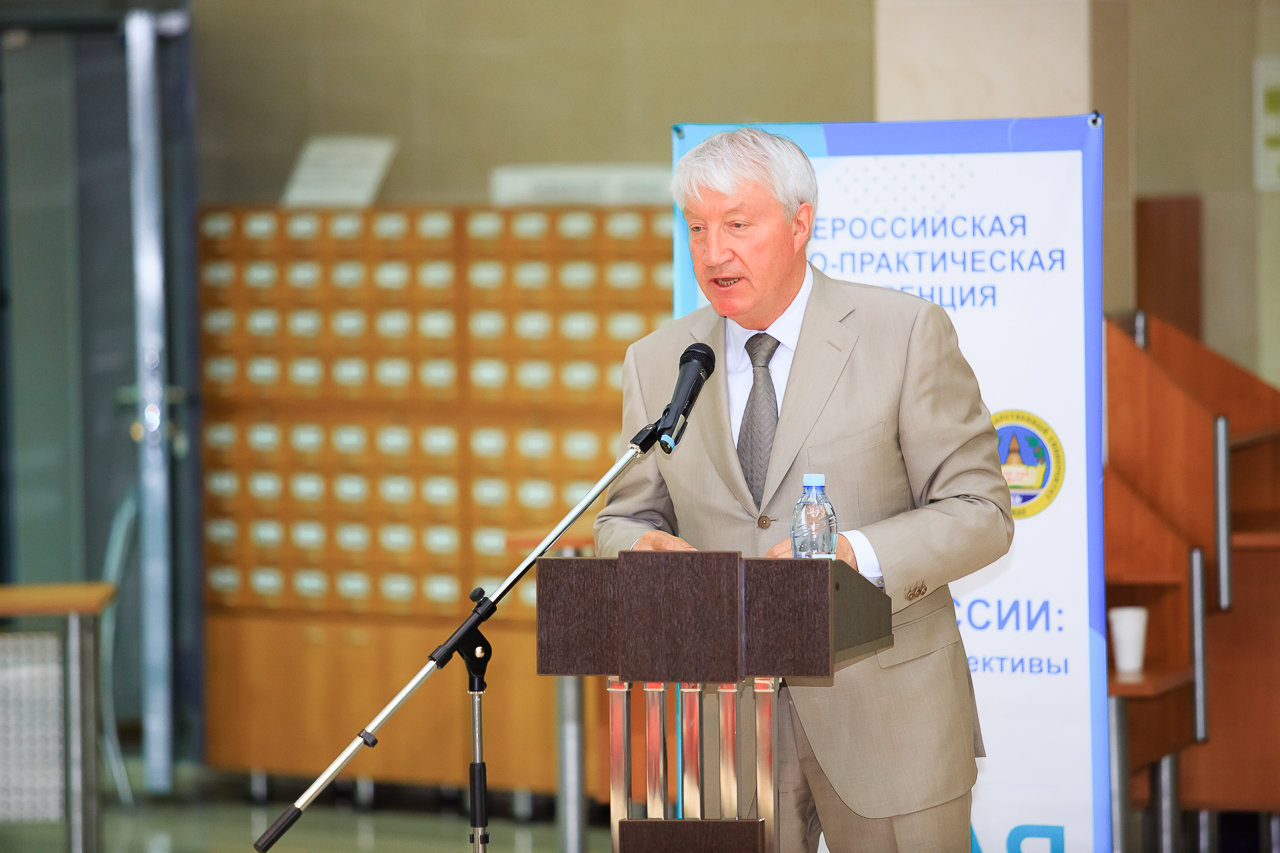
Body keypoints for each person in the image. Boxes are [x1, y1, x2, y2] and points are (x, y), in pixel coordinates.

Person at [593, 127, 1014, 852]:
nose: (712, 252)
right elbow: (622, 516)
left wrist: (853, 554)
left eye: (737, 225)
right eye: (697, 228)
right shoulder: (661, 360)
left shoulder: (904, 332)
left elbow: (981, 512)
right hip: (722, 721)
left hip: (887, 715)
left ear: (799, 224)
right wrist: (639, 548)